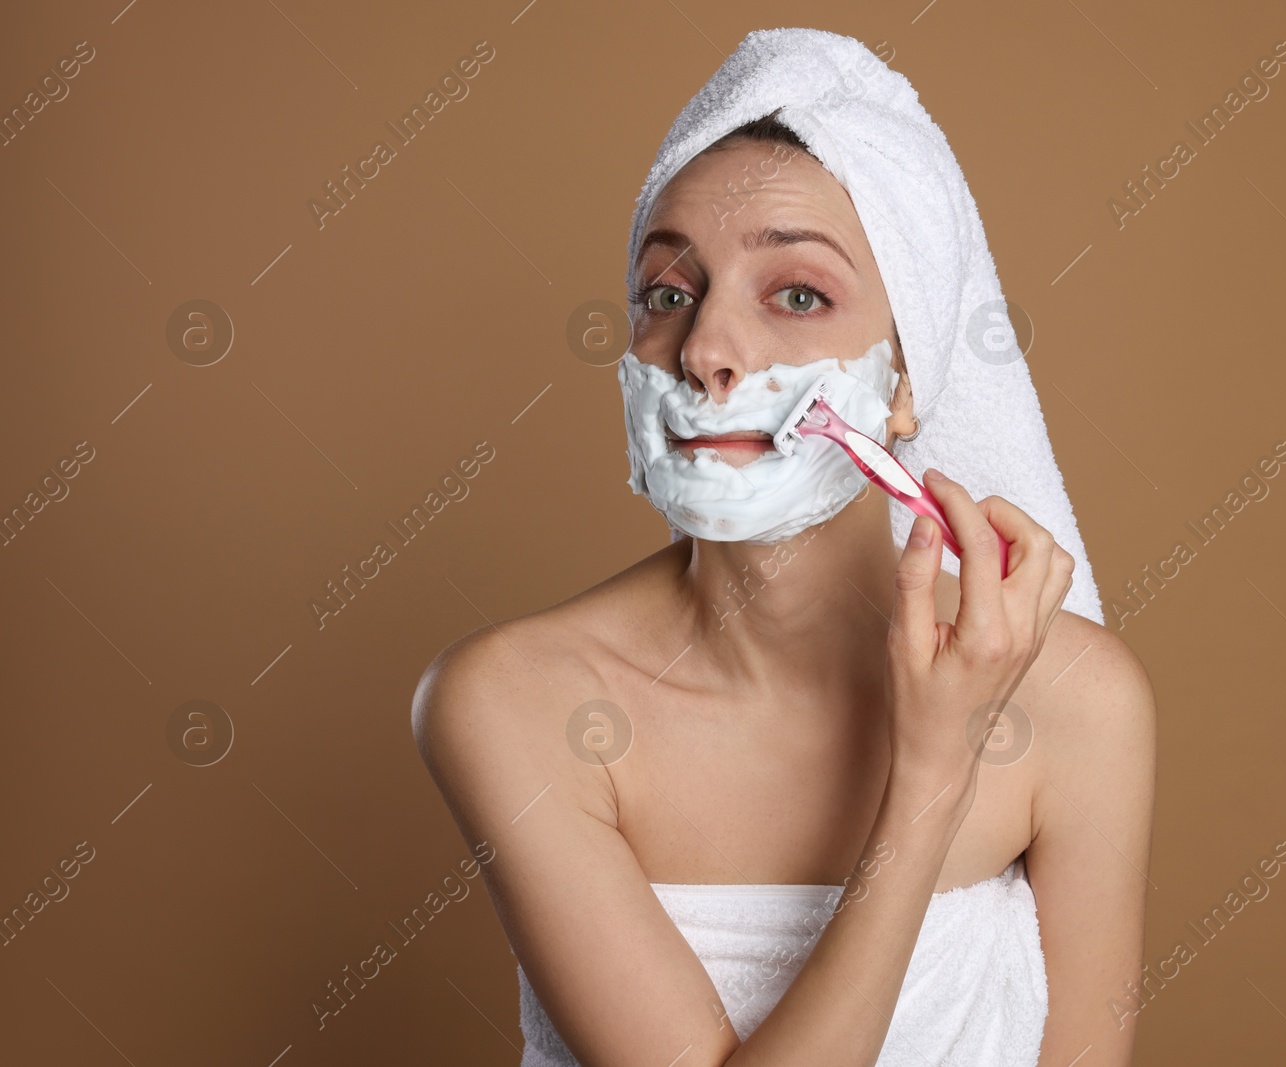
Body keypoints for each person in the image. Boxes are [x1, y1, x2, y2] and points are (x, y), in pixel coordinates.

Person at [412, 29, 1155, 1067]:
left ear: (905, 382)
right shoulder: (514, 700)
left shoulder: (1077, 702)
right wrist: (931, 774)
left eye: (797, 294)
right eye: (668, 293)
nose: (707, 349)